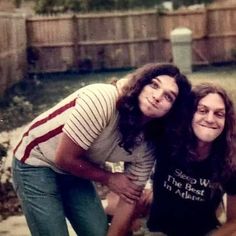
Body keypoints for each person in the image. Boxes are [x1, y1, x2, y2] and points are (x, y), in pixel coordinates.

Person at [12, 63, 191, 236]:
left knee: (99, 232)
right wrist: (109, 178)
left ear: (173, 110)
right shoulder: (103, 99)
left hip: (75, 170)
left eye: (169, 97)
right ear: (141, 83)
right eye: (153, 85)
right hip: (36, 161)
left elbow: (129, 197)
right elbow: (64, 158)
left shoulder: (149, 144)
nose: (157, 96)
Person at [147, 83, 236, 236]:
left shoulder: (230, 160)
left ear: (226, 121)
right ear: (188, 113)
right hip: (158, 230)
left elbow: (234, 222)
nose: (210, 119)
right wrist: (148, 185)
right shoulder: (168, 138)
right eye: (202, 110)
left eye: (219, 114)